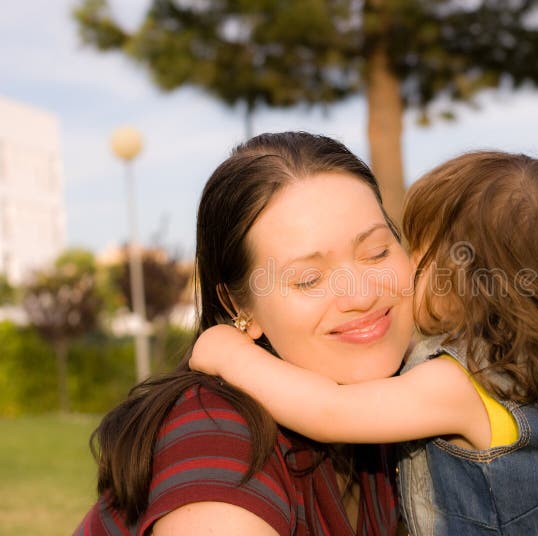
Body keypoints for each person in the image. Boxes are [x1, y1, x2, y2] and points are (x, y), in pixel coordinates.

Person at [190, 151, 538, 535]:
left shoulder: (460, 383)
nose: (404, 269)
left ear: (468, 282)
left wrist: (229, 353)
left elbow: (330, 409)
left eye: (412, 252)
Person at [74, 131, 416, 535]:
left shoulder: (402, 404)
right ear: (239, 306)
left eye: (377, 252)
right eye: (308, 279)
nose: (362, 295)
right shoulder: (218, 435)